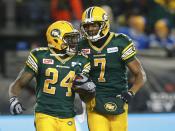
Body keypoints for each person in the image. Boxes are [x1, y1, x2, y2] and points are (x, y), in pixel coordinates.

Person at [9, 20, 96, 131]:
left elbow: (84, 95)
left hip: (67, 115)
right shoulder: (40, 56)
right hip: (45, 114)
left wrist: (88, 91)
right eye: (69, 39)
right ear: (56, 39)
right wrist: (13, 99)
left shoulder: (82, 60)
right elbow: (20, 83)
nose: (74, 42)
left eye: (74, 38)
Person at [79, 6, 146, 131]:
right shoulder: (81, 45)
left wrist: (131, 93)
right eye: (87, 26)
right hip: (94, 100)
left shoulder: (120, 42)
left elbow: (140, 75)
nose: (90, 29)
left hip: (118, 98)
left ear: (104, 24)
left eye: (94, 25)